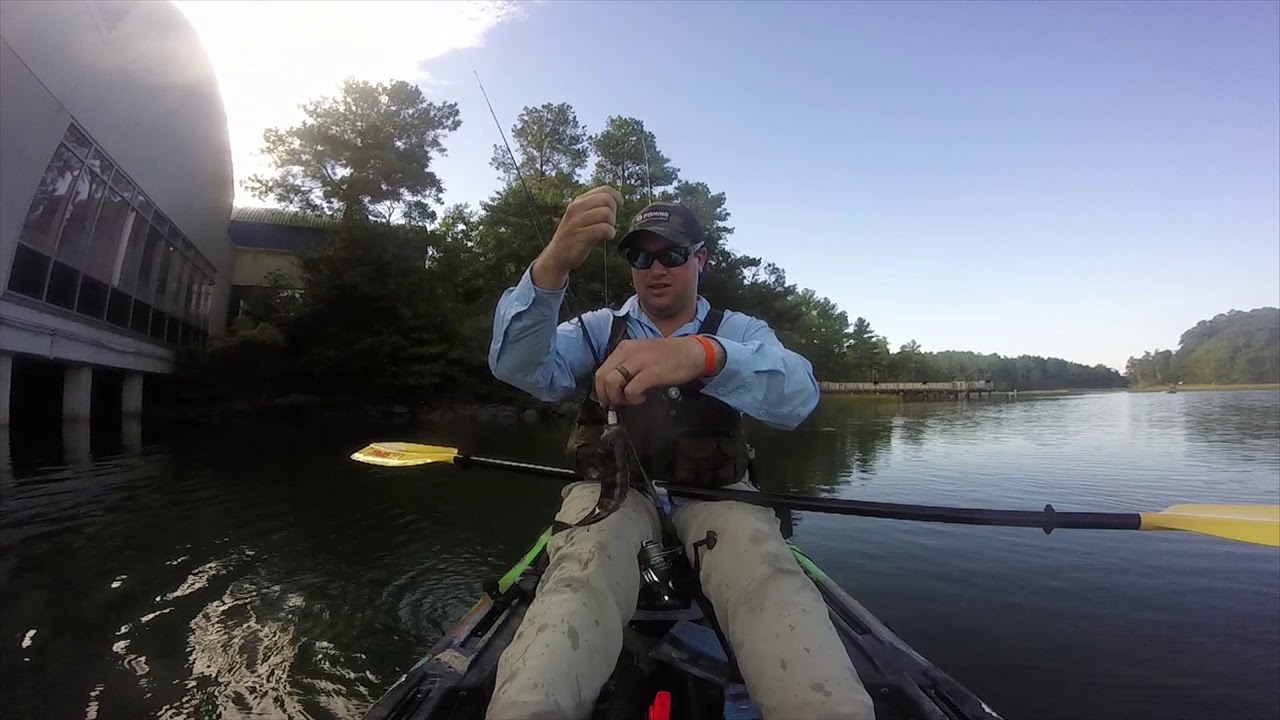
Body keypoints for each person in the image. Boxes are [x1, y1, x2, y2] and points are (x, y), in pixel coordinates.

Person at [486, 186, 874, 720]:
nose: (655, 268)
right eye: (640, 256)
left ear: (700, 260)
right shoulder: (600, 329)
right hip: (613, 494)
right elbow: (519, 369)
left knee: (766, 575)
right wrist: (551, 267)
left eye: (671, 254)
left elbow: (799, 397)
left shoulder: (739, 331)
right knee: (580, 572)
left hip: (715, 495)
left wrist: (702, 355)